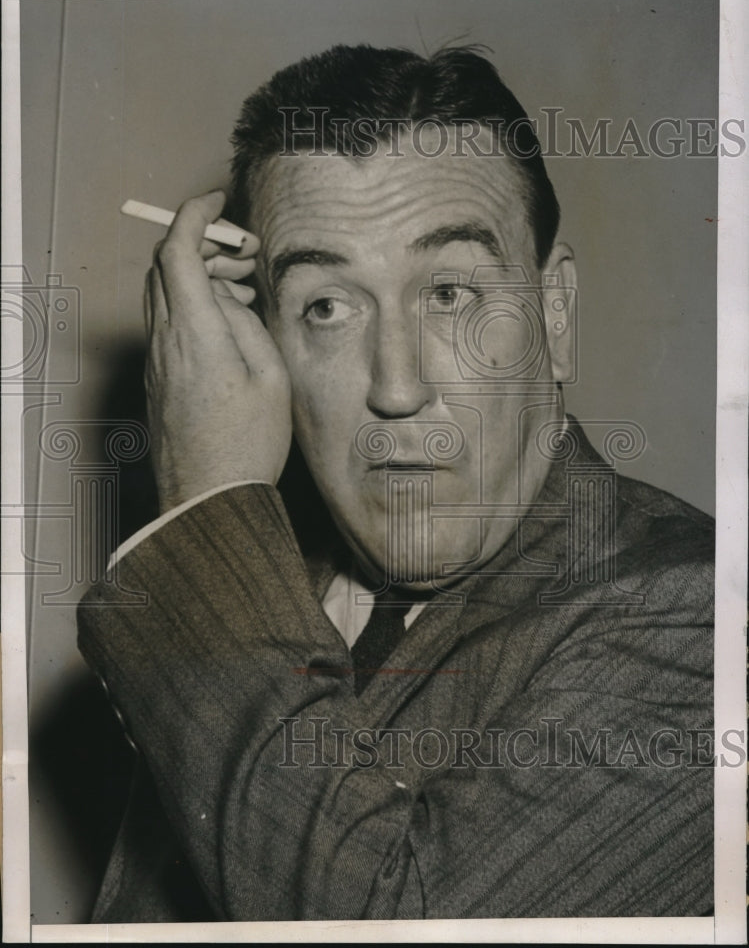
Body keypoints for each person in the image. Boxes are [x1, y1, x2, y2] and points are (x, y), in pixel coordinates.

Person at [77, 45, 714, 921]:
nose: (397, 386)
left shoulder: (697, 617)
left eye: (449, 293)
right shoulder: (260, 600)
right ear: (258, 341)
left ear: (553, 314)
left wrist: (206, 508)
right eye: (327, 307)